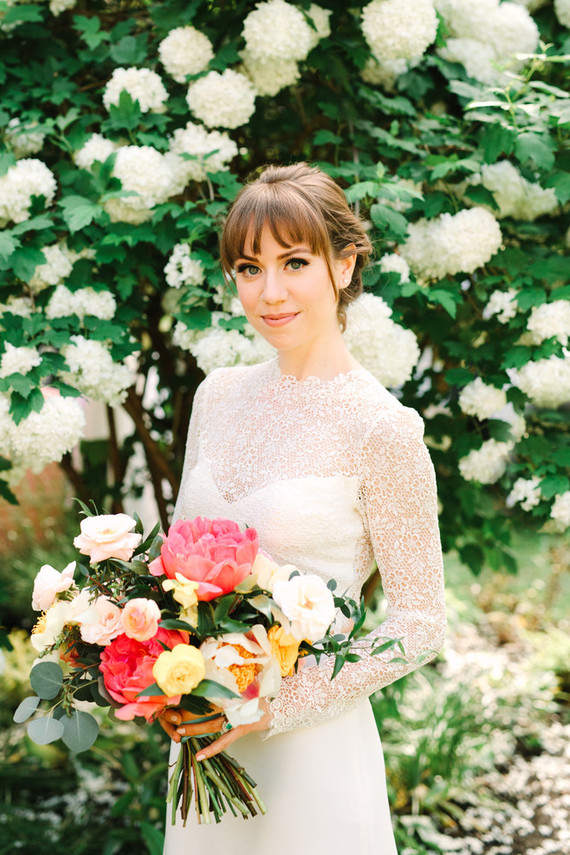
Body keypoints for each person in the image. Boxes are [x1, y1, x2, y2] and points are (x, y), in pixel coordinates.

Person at [159, 162, 446, 855]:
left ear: (344, 264)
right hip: (201, 733)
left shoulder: (382, 428)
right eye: (249, 268)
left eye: (293, 262)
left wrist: (274, 703)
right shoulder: (217, 394)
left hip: (311, 751)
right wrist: (147, 660)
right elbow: (174, 562)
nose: (271, 292)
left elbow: (419, 623)